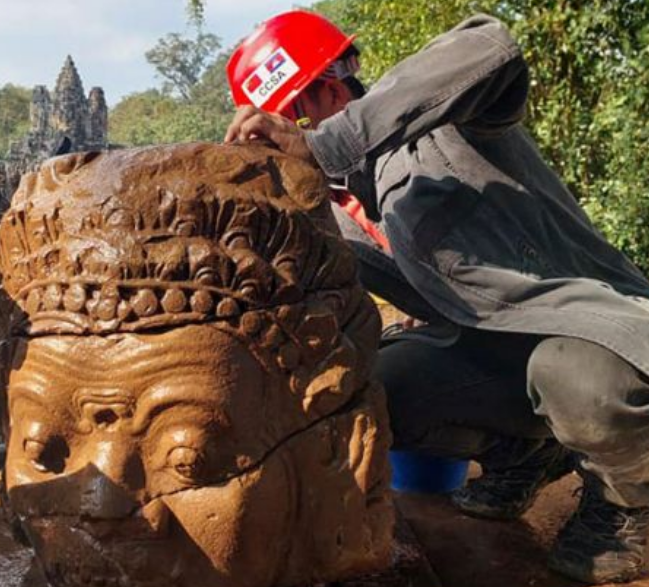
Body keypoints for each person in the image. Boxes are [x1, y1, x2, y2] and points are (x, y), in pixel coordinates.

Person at [225, 10, 649, 585]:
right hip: (499, 357)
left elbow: (489, 43)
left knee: (576, 378)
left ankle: (630, 506)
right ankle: (526, 455)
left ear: (324, 91)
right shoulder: (339, 211)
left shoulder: (440, 122)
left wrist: (329, 145)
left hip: (597, 334)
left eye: (288, 126)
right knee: (380, 385)